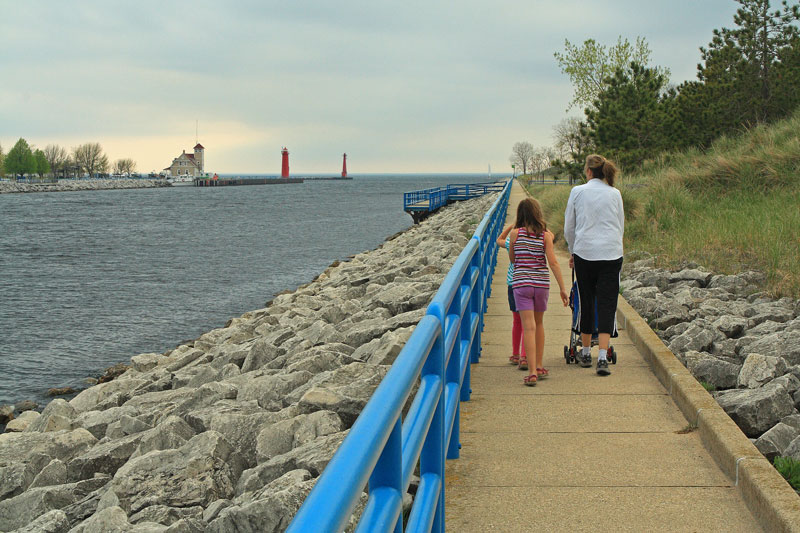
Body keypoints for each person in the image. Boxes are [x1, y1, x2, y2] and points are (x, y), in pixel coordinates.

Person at [563, 154, 624, 376]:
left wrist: (572, 251)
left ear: (588, 171)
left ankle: (586, 352)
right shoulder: (615, 194)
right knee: (607, 304)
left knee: (586, 301)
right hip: (611, 253)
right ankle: (602, 358)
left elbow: (569, 226)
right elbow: (620, 225)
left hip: (585, 253)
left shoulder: (577, 192)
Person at [509, 198, 569, 386]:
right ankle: (541, 365)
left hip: (521, 284)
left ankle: (532, 371)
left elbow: (512, 259)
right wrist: (562, 288)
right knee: (539, 324)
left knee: (529, 327)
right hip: (541, 284)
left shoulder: (514, 234)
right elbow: (553, 262)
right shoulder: (546, 236)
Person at [497, 224, 526, 369]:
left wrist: (510, 227)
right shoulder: (539, 238)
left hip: (513, 282)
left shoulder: (512, 240)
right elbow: (550, 236)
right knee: (529, 322)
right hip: (530, 282)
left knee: (517, 321)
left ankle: (515, 354)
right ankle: (525, 356)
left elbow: (499, 239)